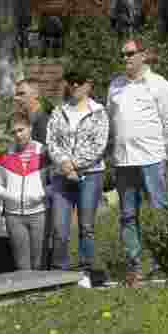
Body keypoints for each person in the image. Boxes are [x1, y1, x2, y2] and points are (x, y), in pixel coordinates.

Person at [106, 37, 168, 287]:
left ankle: (165, 261)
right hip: (124, 161)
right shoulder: (115, 86)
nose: (125, 58)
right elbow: (111, 120)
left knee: (159, 209)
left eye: (129, 54)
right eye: (123, 55)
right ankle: (134, 266)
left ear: (144, 55)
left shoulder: (159, 85)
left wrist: (160, 150)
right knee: (127, 215)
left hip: (151, 159)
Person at [45, 69, 110, 272]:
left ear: (88, 84)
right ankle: (60, 271)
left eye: (79, 81)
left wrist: (74, 164)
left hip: (90, 174)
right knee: (59, 228)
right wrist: (64, 164)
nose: (74, 85)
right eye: (71, 81)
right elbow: (51, 141)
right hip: (61, 175)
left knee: (86, 227)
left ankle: (86, 269)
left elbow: (99, 146)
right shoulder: (58, 111)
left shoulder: (98, 112)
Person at [0, 113, 49, 271]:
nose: (18, 135)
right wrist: (9, 195)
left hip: (39, 213)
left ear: (30, 128)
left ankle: (42, 294)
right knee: (22, 263)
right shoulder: (4, 158)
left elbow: (55, 183)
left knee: (39, 262)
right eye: (14, 132)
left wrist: (40, 194)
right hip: (14, 216)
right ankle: (27, 296)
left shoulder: (44, 153)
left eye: (21, 130)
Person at [13, 79, 48, 144]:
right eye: (16, 95)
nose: (16, 98)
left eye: (21, 93)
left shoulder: (45, 122)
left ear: (36, 94)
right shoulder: (25, 122)